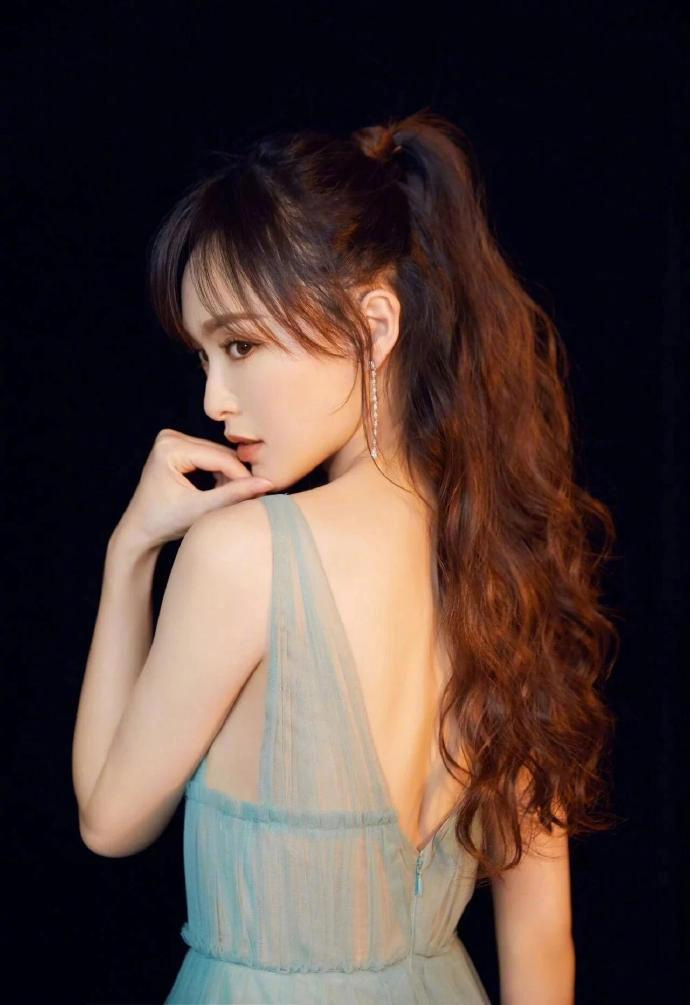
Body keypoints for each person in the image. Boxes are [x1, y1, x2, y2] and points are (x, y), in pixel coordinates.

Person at [72, 108, 619, 1004]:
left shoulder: (243, 555)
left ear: (374, 324)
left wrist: (128, 550)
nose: (214, 398)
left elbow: (108, 820)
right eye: (204, 356)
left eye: (240, 345)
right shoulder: (508, 569)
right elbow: (541, 939)